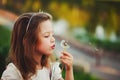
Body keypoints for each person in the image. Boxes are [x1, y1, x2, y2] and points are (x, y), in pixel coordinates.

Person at [1, 11, 74, 80]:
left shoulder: (52, 69)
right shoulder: (14, 73)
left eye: (52, 34)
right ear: (30, 41)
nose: (53, 39)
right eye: (46, 36)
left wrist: (69, 69)